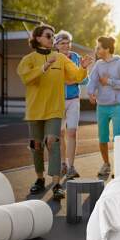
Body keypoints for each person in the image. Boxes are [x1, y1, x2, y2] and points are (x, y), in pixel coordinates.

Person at [17, 24, 93, 200]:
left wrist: (82, 68)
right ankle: (40, 178)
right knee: (37, 145)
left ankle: (57, 184)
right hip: (35, 110)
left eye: (53, 36)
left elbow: (76, 76)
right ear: (38, 39)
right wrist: (43, 67)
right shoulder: (28, 59)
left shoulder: (60, 58)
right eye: (48, 36)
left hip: (54, 109)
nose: (52, 39)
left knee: (53, 142)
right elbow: (26, 78)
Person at [87, 36, 120, 179]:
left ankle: (119, 167)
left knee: (118, 136)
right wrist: (90, 93)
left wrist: (110, 81)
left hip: (117, 106)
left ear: (106, 49)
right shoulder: (98, 65)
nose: (96, 49)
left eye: (98, 47)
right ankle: (106, 164)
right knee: (102, 137)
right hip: (102, 107)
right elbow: (92, 81)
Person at [54, 30, 89, 180]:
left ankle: (71, 167)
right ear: (56, 45)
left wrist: (75, 79)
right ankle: (63, 164)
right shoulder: (53, 58)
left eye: (68, 42)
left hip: (74, 100)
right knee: (60, 134)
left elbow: (85, 80)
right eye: (63, 43)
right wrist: (64, 80)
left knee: (72, 133)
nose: (66, 45)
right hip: (58, 100)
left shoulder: (76, 58)